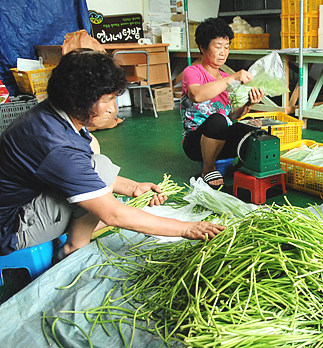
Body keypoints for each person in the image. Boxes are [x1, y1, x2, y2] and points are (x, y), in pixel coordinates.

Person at [0, 49, 225, 260]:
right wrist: (187, 228)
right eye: (107, 100)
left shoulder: (52, 113)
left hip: (24, 199)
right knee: (100, 169)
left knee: (97, 163)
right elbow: (113, 214)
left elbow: (82, 174)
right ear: (79, 100)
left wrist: (132, 187)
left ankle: (74, 234)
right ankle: (74, 249)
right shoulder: (58, 146)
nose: (111, 108)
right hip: (12, 227)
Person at [181, 17, 265, 189]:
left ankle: (242, 166)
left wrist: (249, 104)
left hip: (221, 139)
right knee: (217, 120)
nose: (223, 52)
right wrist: (233, 78)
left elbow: (231, 115)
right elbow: (196, 95)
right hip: (195, 143)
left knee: (253, 129)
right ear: (203, 48)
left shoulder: (226, 79)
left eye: (226, 47)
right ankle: (208, 169)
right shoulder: (192, 72)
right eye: (218, 47)